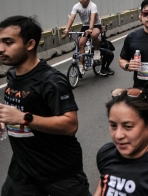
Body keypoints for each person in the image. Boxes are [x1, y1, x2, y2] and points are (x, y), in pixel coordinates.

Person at [0, 16, 91, 196]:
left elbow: (70, 125)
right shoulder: (12, 75)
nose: (1, 48)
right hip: (22, 172)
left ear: (30, 44)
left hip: (59, 174)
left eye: (8, 42)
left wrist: (23, 118)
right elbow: (18, 103)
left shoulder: (52, 81)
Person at [63, 0, 102, 73]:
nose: (82, 0)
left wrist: (91, 29)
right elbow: (72, 18)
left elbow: (92, 18)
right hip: (85, 26)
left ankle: (96, 51)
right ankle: (81, 65)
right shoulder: (76, 6)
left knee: (94, 35)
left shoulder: (93, 6)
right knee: (81, 44)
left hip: (95, 24)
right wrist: (67, 29)